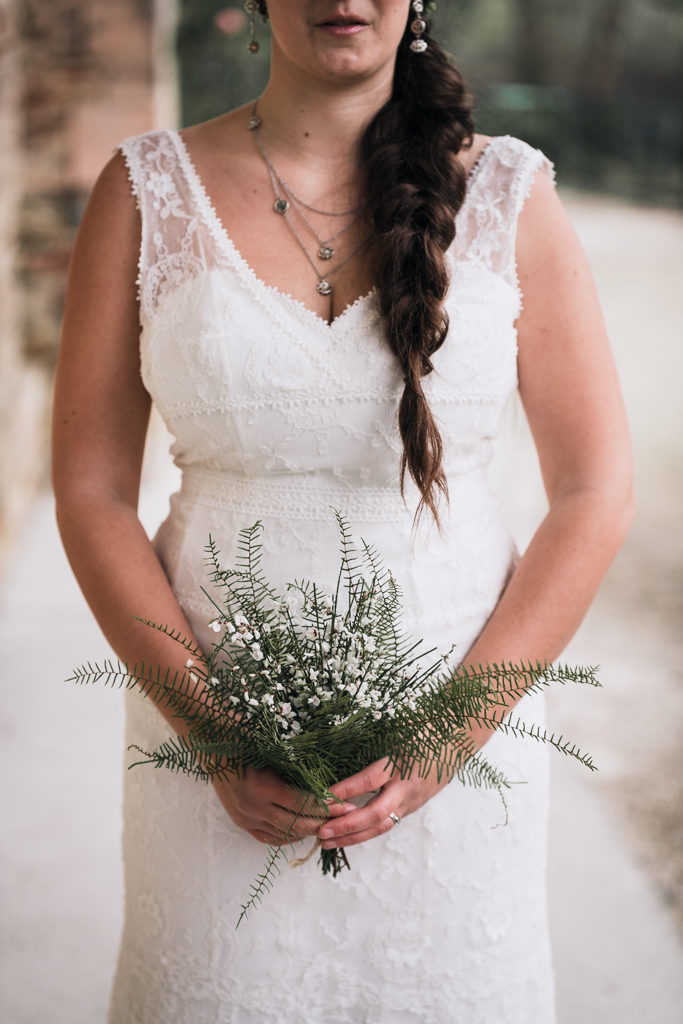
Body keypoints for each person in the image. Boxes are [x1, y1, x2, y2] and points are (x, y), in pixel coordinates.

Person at [52, 2, 633, 1021]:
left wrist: (452, 732)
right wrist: (214, 731)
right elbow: (91, 488)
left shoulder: (507, 195)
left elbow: (592, 488)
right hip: (211, 736)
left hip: (456, 730)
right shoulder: (143, 191)